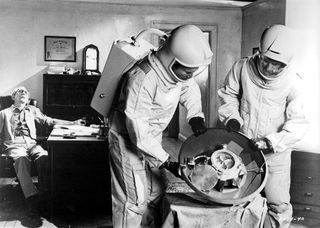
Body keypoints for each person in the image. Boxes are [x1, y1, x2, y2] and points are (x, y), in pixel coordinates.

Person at [108, 24, 213, 228]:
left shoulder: (178, 71)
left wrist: (195, 116)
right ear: (170, 60)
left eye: (193, 72)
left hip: (152, 139)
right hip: (126, 141)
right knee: (134, 199)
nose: (189, 76)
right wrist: (167, 162)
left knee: (156, 192)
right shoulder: (142, 78)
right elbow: (137, 131)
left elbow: (188, 89)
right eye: (187, 71)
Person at [218, 24, 309, 228]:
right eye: (267, 60)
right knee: (235, 196)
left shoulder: (295, 81)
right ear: (259, 52)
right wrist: (232, 118)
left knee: (278, 205)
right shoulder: (242, 67)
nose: (269, 68)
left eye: (277, 64)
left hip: (276, 153)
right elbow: (228, 94)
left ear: (287, 63)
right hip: (241, 146)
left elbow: (299, 122)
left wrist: (271, 142)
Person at [0, 86, 83, 227]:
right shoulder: (3, 113)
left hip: (32, 144)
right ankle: (32, 200)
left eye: (26, 92)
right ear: (13, 97)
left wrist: (73, 123)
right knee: (22, 160)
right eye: (20, 91)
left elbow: (49, 121)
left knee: (45, 156)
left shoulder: (32, 110)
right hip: (14, 145)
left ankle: (46, 196)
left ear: (28, 99)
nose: (24, 93)